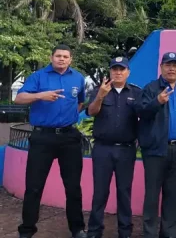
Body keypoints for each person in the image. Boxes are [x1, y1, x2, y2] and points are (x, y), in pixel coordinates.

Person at [14, 44, 88, 238]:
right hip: (42, 137)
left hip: (69, 138)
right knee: (34, 186)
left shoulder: (78, 78)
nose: (61, 59)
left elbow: (79, 103)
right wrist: (40, 95)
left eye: (65, 56)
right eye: (58, 56)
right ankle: (27, 230)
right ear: (51, 57)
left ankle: (77, 229)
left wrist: (66, 117)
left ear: (70, 59)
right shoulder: (39, 76)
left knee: (73, 187)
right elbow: (19, 98)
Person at [137, 52, 176, 238]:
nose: (172, 68)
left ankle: (169, 232)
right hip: (155, 150)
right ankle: (150, 233)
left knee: (173, 195)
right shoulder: (151, 88)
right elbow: (142, 113)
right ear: (161, 67)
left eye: (175, 65)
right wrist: (157, 102)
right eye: (168, 64)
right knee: (152, 195)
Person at [85, 57, 141, 238]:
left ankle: (125, 231)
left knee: (124, 192)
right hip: (103, 149)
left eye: (122, 69)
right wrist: (101, 96)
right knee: (100, 192)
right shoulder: (99, 90)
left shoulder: (136, 92)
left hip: (126, 150)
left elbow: (145, 115)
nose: (118, 72)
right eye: (114, 69)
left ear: (128, 72)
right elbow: (91, 111)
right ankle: (94, 231)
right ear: (109, 71)